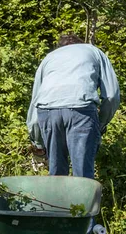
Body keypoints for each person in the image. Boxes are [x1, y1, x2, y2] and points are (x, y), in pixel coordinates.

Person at [27, 33, 120, 178]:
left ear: (60, 47)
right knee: (82, 174)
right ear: (80, 43)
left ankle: (56, 201)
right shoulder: (93, 51)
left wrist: (37, 142)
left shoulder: (49, 58)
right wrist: (100, 124)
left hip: (47, 110)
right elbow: (111, 95)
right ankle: (82, 200)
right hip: (81, 110)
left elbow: (35, 103)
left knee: (56, 173)